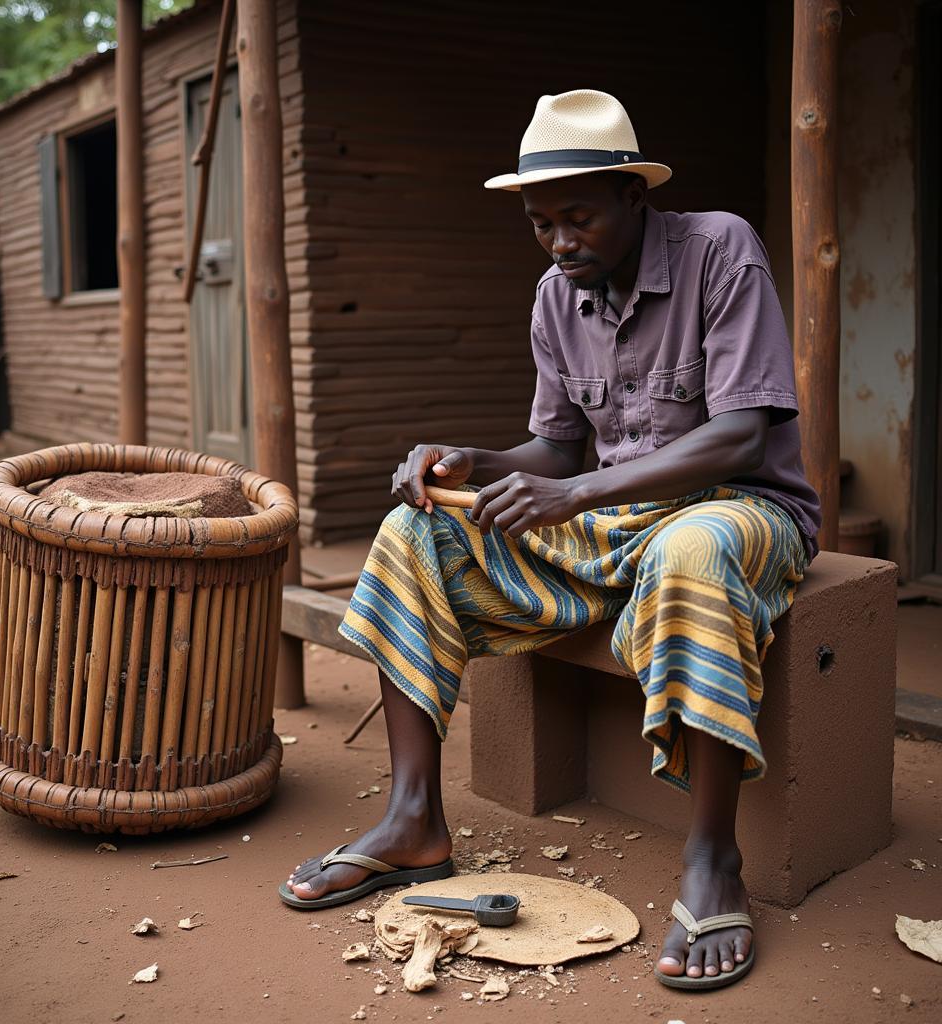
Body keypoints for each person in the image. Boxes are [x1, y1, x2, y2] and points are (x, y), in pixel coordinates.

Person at [280, 90, 821, 991]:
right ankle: (415, 818)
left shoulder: (720, 250)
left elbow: (741, 435)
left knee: (694, 554)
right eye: (540, 224)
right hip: (610, 521)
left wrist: (575, 492)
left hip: (739, 508)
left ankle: (714, 856)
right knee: (415, 529)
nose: (560, 242)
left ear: (632, 198)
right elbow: (558, 446)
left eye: (578, 218)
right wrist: (471, 460)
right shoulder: (555, 297)